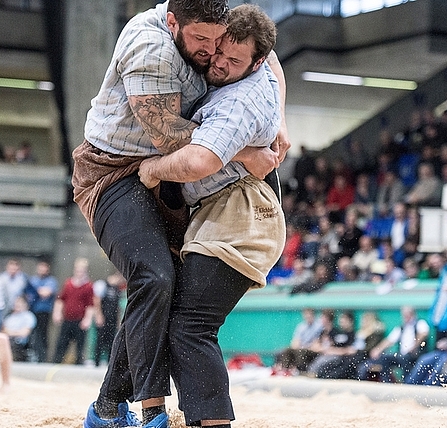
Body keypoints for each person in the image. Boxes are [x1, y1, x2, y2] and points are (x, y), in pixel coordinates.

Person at [72, 0, 288, 426]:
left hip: (179, 185)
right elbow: (170, 138)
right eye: (202, 42)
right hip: (117, 171)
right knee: (155, 280)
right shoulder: (151, 48)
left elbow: (271, 59)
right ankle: (150, 409)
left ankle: (107, 408)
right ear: (173, 23)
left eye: (222, 44)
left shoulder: (228, 34)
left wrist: (279, 119)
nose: (213, 54)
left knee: (171, 306)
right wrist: (243, 151)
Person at [136, 6, 286, 426]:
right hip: (219, 210)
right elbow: (275, 61)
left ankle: (212, 422)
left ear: (254, 63)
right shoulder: (250, 62)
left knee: (191, 326)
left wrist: (151, 170)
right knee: (177, 318)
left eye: (234, 61)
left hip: (241, 215)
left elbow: (200, 160)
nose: (219, 62)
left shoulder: (239, 100)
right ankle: (187, 414)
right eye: (219, 51)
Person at [358, 305, 430, 383]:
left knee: (404, 358)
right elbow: (389, 340)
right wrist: (377, 350)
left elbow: (423, 334)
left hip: (415, 354)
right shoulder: (401, 327)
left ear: (412, 314)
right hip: (401, 354)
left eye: (407, 315)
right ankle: (387, 382)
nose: (405, 317)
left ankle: (407, 382)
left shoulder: (420, 323)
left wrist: (414, 346)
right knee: (384, 358)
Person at [307, 310, 385, 380]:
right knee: (339, 362)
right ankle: (324, 375)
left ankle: (330, 376)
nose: (363, 322)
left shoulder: (375, 334)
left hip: (362, 356)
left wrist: (355, 350)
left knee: (347, 364)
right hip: (352, 354)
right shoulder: (361, 332)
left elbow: (369, 348)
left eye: (366, 320)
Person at [52, 258, 95, 365]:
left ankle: (79, 364)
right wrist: (57, 313)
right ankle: (56, 362)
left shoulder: (88, 286)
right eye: (78, 270)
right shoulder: (68, 283)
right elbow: (61, 300)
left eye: (82, 270)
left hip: (79, 320)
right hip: (67, 319)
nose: (79, 273)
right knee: (61, 343)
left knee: (80, 345)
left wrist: (87, 319)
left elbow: (90, 305)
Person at [272, 308, 324, 375]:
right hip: (302, 348)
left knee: (300, 352)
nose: (307, 317)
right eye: (306, 315)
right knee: (287, 350)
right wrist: (297, 346)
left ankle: (302, 371)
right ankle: (286, 370)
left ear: (313, 315)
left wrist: (303, 347)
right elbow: (295, 342)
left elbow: (316, 344)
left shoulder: (318, 326)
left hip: (311, 349)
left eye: (309, 315)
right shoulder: (301, 326)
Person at [24, 260, 58, 363]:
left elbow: (45, 293)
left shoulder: (51, 281)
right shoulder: (33, 279)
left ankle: (43, 357)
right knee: (32, 334)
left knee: (43, 335)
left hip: (44, 311)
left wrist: (35, 290)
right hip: (32, 310)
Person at [92, 272, 124, 368]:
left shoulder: (117, 289)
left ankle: (109, 364)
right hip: (104, 317)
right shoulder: (103, 284)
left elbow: (118, 307)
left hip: (112, 319)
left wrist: (119, 321)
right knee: (100, 341)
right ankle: (96, 362)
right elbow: (97, 301)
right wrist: (99, 315)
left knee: (111, 342)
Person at [2, 296, 37, 362]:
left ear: (25, 304)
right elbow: (3, 331)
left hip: (20, 343)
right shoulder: (9, 317)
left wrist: (11, 333)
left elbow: (24, 333)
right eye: (16, 302)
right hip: (8, 340)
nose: (17, 304)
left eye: (20, 302)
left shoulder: (28, 316)